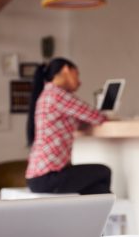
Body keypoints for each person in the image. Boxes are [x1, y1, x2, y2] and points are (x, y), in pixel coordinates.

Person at [25, 57, 111, 195]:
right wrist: (109, 116)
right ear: (66, 70)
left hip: (39, 177)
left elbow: (80, 121)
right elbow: (97, 117)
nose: (79, 81)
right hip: (48, 177)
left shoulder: (48, 94)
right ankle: (100, 214)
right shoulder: (57, 94)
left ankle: (93, 214)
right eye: (77, 74)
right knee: (103, 172)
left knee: (95, 183)